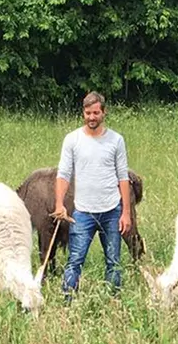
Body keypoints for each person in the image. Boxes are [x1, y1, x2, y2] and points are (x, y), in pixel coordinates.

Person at [54, 91, 133, 298]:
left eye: (96, 113)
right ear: (83, 113)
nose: (91, 117)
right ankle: (67, 302)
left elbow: (122, 177)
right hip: (82, 212)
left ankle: (113, 304)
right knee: (75, 261)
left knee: (114, 262)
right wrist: (59, 204)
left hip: (111, 211)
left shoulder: (116, 140)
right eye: (88, 113)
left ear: (103, 113)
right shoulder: (72, 140)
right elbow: (63, 174)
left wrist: (126, 213)